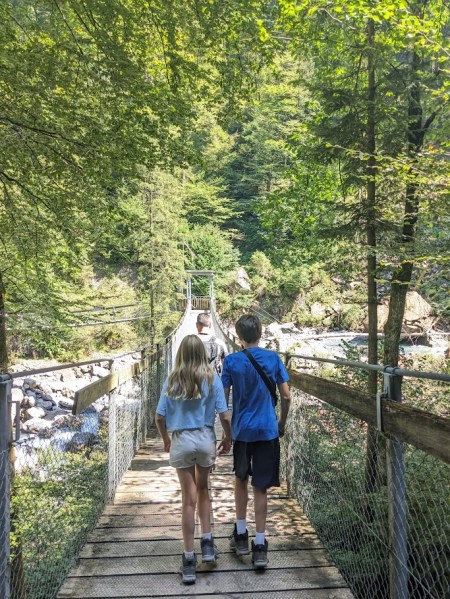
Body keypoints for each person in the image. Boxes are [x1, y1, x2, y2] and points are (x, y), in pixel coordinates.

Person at [155, 335, 232, 585]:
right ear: (202, 354)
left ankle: (189, 559)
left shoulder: (172, 379)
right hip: (205, 438)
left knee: (188, 501)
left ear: (180, 354)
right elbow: (225, 416)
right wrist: (228, 438)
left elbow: (159, 417)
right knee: (204, 491)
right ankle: (207, 545)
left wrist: (166, 440)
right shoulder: (212, 377)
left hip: (182, 441)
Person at [221, 313, 291, 570]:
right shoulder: (273, 359)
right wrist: (281, 423)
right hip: (267, 431)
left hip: (242, 432)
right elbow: (286, 397)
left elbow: (223, 403)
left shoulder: (231, 361)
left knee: (240, 479)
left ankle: (241, 535)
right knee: (260, 487)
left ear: (239, 337)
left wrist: (226, 433)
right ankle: (260, 546)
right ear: (261, 334)